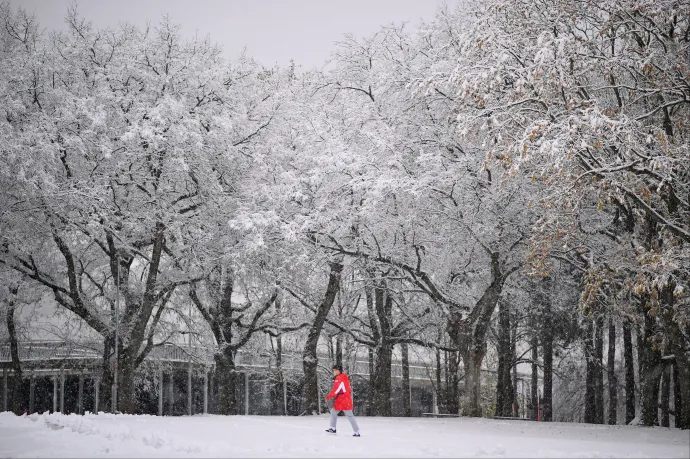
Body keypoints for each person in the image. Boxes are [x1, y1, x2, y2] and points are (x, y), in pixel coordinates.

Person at [325, 364, 360, 437]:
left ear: (338, 371)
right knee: (335, 412)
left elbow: (336, 390)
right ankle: (356, 431)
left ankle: (333, 428)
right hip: (346, 399)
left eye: (334, 370)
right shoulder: (344, 377)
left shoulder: (339, 378)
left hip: (342, 400)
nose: (333, 371)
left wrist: (329, 396)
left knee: (343, 414)